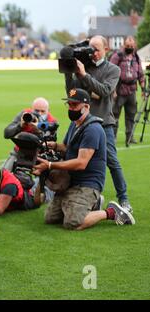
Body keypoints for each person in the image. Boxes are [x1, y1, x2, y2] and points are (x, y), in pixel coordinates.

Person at [33, 89, 135, 230]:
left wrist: (50, 165)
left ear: (86, 107)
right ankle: (91, 204)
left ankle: (111, 212)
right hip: (71, 181)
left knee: (73, 223)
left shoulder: (92, 129)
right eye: (69, 105)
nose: (71, 108)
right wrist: (55, 145)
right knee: (50, 218)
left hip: (88, 183)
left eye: (74, 105)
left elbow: (81, 163)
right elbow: (67, 147)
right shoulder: (75, 123)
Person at [64, 35, 133, 213]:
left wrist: (84, 75)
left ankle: (123, 199)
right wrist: (68, 71)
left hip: (103, 123)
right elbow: (72, 93)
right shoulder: (83, 68)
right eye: (90, 49)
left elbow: (104, 91)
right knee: (70, 154)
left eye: (96, 49)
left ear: (106, 50)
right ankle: (83, 196)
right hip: (80, 122)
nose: (92, 53)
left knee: (112, 161)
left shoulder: (113, 70)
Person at [3, 97, 58, 172]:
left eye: (43, 111)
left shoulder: (52, 122)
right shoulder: (25, 115)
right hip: (19, 152)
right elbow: (6, 134)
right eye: (36, 111)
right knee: (4, 174)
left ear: (48, 111)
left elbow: (50, 144)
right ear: (32, 109)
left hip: (41, 155)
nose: (39, 114)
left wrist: (38, 131)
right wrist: (20, 126)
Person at [109, 36, 146, 145]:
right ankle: (113, 138)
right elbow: (111, 73)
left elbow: (140, 74)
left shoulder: (136, 57)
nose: (129, 47)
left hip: (132, 90)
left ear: (134, 46)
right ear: (123, 45)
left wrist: (143, 88)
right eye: (128, 46)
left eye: (131, 46)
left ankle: (129, 137)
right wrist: (113, 90)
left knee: (131, 115)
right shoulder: (117, 56)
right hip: (119, 90)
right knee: (115, 115)